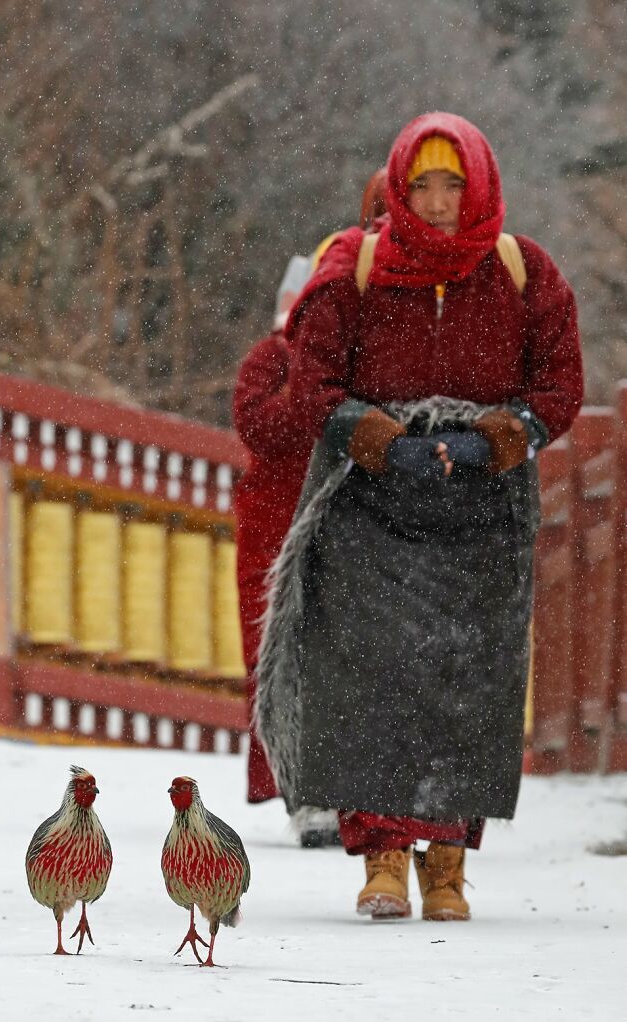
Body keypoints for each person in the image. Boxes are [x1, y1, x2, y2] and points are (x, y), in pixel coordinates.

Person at [256, 113, 583, 920]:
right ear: (398, 191)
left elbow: (560, 386)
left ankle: (447, 863)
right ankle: (384, 860)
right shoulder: (353, 270)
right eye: (422, 187)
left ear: (480, 188)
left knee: (466, 680)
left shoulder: (524, 273)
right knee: (371, 679)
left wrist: (495, 440)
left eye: (452, 186)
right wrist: (375, 438)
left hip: (483, 506)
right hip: (372, 502)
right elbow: (312, 378)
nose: (437, 204)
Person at [233, 170, 389, 845]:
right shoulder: (269, 360)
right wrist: (313, 389)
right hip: (274, 534)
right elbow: (262, 427)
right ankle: (302, 787)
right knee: (282, 656)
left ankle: (357, 794)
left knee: (350, 656)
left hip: (351, 520)